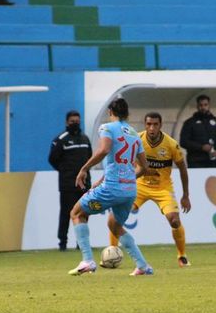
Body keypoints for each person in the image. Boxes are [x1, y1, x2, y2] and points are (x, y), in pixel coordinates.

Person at [69, 98, 153, 276]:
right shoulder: (134, 134)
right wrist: (128, 178)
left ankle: (87, 260)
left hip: (111, 189)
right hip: (129, 190)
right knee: (114, 224)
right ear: (127, 114)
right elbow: (145, 167)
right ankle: (143, 266)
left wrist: (84, 168)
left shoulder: (107, 128)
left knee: (77, 213)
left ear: (110, 112)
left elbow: (104, 150)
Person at [108, 112, 192, 267]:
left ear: (160, 125)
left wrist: (185, 195)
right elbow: (122, 159)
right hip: (139, 186)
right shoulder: (136, 139)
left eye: (155, 124)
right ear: (145, 125)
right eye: (149, 124)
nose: (151, 128)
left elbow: (183, 168)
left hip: (163, 188)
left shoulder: (171, 144)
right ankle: (112, 251)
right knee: (116, 217)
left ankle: (182, 255)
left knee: (174, 221)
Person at [48, 110, 92, 251]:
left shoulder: (85, 139)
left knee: (84, 213)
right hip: (68, 184)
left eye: (77, 122)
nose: (75, 124)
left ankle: (82, 243)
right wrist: (65, 171)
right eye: (73, 122)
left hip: (84, 184)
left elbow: (90, 157)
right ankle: (63, 243)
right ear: (67, 122)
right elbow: (52, 159)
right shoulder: (61, 139)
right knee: (66, 214)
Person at [179, 94, 216, 168]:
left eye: (205, 105)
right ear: (197, 106)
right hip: (196, 162)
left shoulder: (215, 121)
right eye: (201, 105)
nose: (203, 107)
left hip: (213, 161)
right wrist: (201, 147)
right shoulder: (190, 122)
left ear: (209, 105)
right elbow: (183, 141)